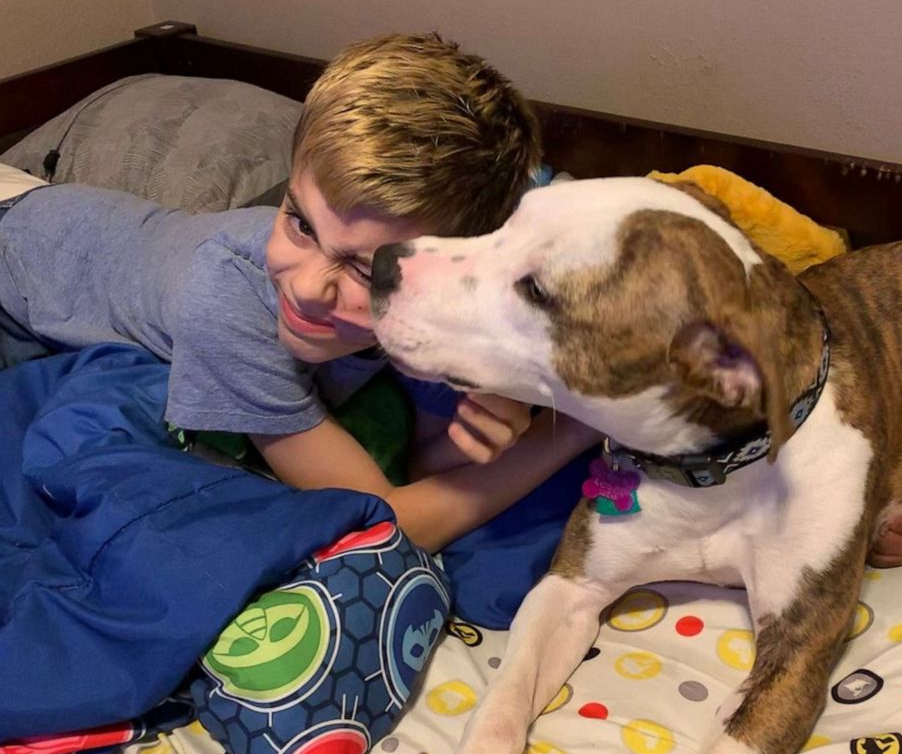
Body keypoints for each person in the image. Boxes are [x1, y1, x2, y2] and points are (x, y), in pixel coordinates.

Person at [0, 33, 597, 551]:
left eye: (366, 271)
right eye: (300, 221)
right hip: (23, 254)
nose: (309, 288)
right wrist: (573, 427)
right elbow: (385, 520)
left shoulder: (438, 308)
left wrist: (502, 420)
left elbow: (426, 458)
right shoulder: (226, 298)